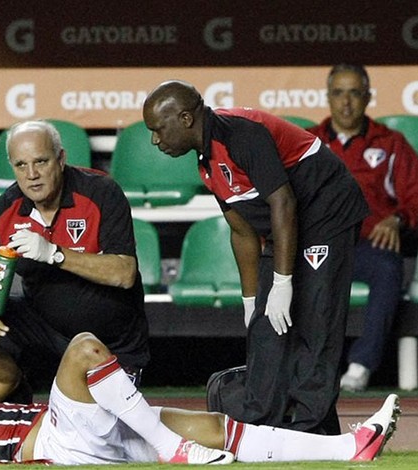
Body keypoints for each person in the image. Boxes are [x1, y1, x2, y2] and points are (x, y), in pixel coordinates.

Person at [0, 316, 400, 465]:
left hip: (81, 433)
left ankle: (349, 448)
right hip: (53, 447)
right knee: (84, 348)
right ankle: (170, 448)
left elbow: (5, 380)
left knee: (212, 429)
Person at [142, 80, 369, 435]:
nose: (155, 139)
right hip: (287, 226)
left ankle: (312, 432)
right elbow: (242, 230)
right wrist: (252, 300)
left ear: (185, 118)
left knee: (315, 319)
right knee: (266, 327)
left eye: (157, 129)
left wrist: (282, 282)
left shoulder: (241, 134)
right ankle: (263, 424)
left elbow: (284, 202)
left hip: (327, 212)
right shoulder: (206, 163)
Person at [0, 120, 150, 401]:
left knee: (94, 439)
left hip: (108, 344)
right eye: (21, 165)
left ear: (60, 159)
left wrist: (54, 253)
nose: (32, 175)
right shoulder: (8, 207)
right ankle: (5, 421)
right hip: (46, 337)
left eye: (41, 161)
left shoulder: (101, 193)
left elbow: (124, 273)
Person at [308, 64, 418, 392]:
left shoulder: (391, 143)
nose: (346, 102)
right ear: (328, 97)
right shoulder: (309, 144)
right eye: (339, 93)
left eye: (354, 93)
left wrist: (398, 219)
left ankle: (360, 366)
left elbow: (416, 197)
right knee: (290, 268)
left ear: (368, 97)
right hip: (323, 245)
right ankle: (309, 369)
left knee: (388, 265)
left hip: (368, 246)